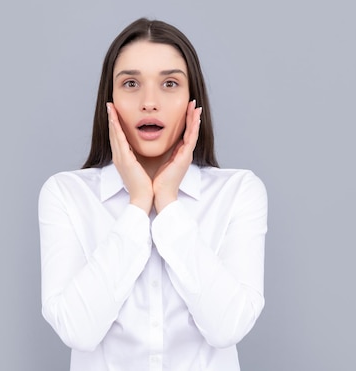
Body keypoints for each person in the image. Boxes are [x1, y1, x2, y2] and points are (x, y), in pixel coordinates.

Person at [38, 18, 268, 371]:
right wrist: (138, 205)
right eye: (130, 83)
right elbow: (78, 331)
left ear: (193, 100)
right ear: (109, 101)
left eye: (170, 83)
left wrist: (169, 204)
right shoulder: (66, 195)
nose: (149, 102)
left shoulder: (238, 193)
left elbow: (227, 328)